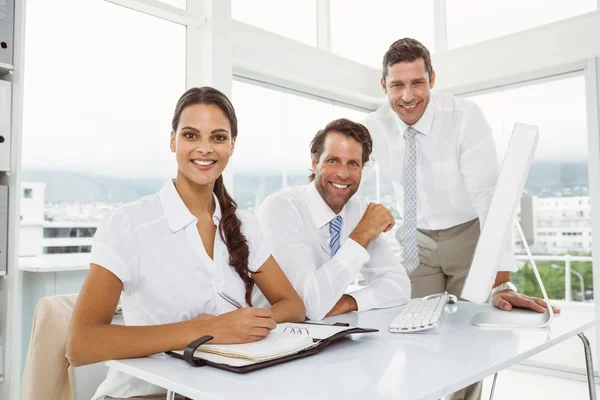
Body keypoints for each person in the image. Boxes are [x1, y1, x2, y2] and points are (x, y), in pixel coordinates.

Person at [67, 87, 306, 400]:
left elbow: (294, 306)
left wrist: (245, 325)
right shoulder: (129, 225)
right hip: (143, 395)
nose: (205, 148)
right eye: (191, 135)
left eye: (218, 137)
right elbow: (80, 345)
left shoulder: (245, 225)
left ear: (232, 145)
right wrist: (208, 330)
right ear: (172, 141)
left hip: (225, 390)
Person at [362, 38, 559, 400]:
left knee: (470, 340)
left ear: (432, 79)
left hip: (470, 236)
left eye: (417, 83)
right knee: (416, 333)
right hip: (415, 239)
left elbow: (488, 195)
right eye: (397, 85)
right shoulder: (373, 127)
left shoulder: (464, 117)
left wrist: (500, 274)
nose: (407, 96)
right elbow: (348, 171)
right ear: (384, 85)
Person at [257, 118, 410, 321]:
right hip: (272, 336)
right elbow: (306, 305)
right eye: (333, 160)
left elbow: (400, 286)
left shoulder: (358, 211)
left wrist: (348, 302)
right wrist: (361, 235)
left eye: (353, 164)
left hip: (326, 333)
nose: (343, 173)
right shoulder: (281, 209)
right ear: (314, 163)